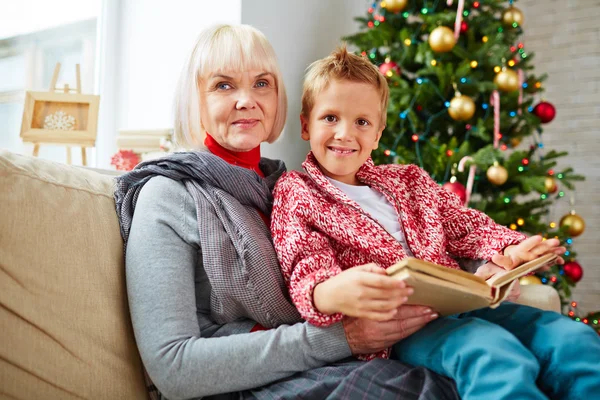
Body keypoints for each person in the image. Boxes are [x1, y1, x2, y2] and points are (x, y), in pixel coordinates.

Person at [114, 25, 462, 400]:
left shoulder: (289, 190)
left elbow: (414, 243)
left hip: (332, 365)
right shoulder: (165, 195)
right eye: (224, 85)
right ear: (194, 100)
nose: (246, 100)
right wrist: (343, 337)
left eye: (262, 83)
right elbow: (174, 367)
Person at [271, 46, 600, 399]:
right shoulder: (297, 190)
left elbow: (464, 225)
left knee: (572, 339)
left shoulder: (410, 181)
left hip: (462, 304)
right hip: (406, 327)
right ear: (306, 124)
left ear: (378, 134)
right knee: (491, 355)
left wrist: (510, 247)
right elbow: (304, 261)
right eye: (330, 118)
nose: (344, 133)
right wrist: (329, 292)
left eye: (361, 122)